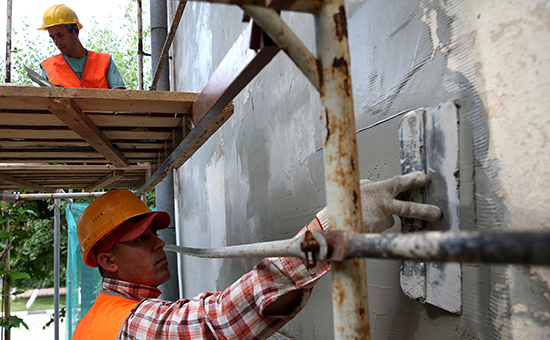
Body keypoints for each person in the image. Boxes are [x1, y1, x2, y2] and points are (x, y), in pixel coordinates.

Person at [72, 172, 441, 339]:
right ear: (108, 261)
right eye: (139, 239)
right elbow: (217, 323)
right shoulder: (131, 324)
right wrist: (331, 228)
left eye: (154, 231)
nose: (157, 242)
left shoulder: (93, 322)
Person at [38, 4, 126, 89]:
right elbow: (42, 102)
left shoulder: (104, 62)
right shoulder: (48, 68)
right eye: (53, 37)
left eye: (60, 35)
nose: (57, 42)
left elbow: (119, 98)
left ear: (75, 32)